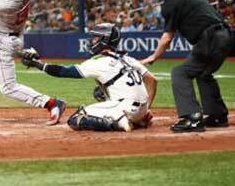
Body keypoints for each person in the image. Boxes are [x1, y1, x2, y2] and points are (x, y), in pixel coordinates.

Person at [141, 0, 234, 132]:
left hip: (210, 38)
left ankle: (192, 118)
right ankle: (217, 116)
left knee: (180, 73)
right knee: (203, 74)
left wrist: (153, 56)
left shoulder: (171, 2)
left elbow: (167, 38)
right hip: (225, 36)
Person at [23, 23, 156, 132]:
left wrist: (38, 64)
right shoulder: (128, 58)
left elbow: (64, 71)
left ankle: (117, 122)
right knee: (99, 93)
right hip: (143, 112)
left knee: (75, 119)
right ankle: (137, 120)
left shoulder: (100, 61)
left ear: (105, 40)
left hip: (125, 108)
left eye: (96, 38)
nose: (93, 41)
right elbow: (152, 80)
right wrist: (146, 108)